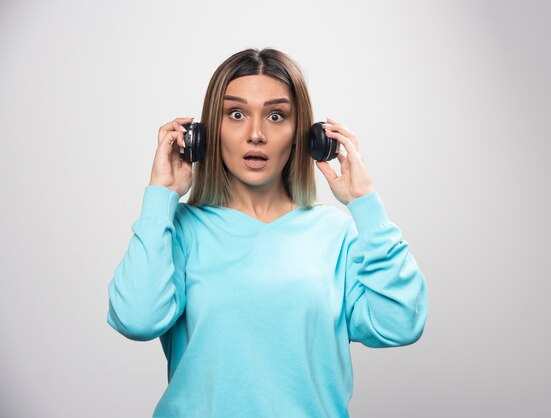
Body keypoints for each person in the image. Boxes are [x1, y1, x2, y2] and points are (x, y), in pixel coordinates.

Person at [107, 48, 428, 418]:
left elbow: (401, 324)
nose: (256, 134)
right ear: (208, 132)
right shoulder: (178, 230)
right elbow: (137, 318)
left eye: (276, 116)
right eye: (236, 114)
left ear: (303, 135)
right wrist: (160, 197)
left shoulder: (335, 235)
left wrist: (364, 204)